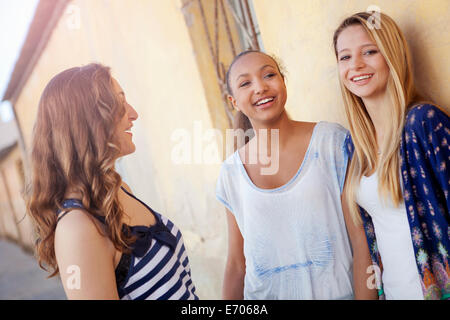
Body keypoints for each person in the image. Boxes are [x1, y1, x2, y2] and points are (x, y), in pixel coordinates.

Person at [25, 63, 198, 300]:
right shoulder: (77, 228)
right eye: (119, 102)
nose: (134, 113)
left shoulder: (120, 190)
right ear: (87, 120)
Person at [216, 50, 377, 299]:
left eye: (269, 75)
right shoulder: (231, 173)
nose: (260, 87)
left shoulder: (332, 143)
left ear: (282, 82)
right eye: (245, 83)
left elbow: (361, 241)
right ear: (234, 101)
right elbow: (237, 265)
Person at [333, 12, 449, 300]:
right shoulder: (354, 146)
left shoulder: (423, 123)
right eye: (344, 57)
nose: (355, 65)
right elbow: (367, 248)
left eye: (369, 51)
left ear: (391, 54)